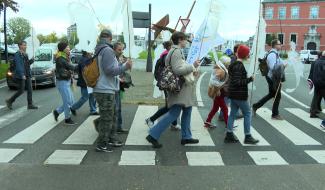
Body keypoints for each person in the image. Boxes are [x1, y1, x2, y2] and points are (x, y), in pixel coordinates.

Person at [146, 32, 200, 148]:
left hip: (181, 89)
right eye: (185, 39)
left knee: (187, 110)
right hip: (180, 90)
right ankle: (153, 134)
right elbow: (177, 70)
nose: (186, 42)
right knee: (174, 113)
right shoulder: (176, 52)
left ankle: (186, 137)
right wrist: (192, 66)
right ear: (180, 40)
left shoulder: (173, 50)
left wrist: (191, 69)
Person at [92, 29, 132, 152]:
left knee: (112, 115)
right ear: (110, 37)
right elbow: (110, 71)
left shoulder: (99, 49)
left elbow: (108, 69)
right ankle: (101, 144)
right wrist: (125, 66)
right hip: (105, 89)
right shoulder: (107, 50)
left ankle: (110, 138)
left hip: (104, 88)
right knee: (107, 118)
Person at [224, 45, 259, 144]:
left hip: (232, 93)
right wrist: (250, 79)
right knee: (248, 113)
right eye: (247, 53)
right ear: (244, 54)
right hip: (239, 94)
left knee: (232, 114)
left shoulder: (234, 64)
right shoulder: (239, 66)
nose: (248, 55)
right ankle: (248, 136)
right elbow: (237, 82)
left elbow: (234, 80)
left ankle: (229, 134)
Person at [145, 41, 180, 131]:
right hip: (169, 84)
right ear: (169, 47)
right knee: (169, 105)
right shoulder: (167, 56)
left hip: (167, 83)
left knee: (172, 104)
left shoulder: (164, 55)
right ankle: (151, 119)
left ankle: (174, 124)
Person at [252, 39, 286, 120]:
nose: (281, 45)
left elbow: (281, 62)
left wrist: (284, 63)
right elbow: (273, 67)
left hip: (274, 77)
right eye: (279, 44)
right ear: (275, 45)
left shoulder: (275, 54)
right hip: (272, 78)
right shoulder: (272, 55)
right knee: (277, 95)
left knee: (272, 94)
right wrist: (282, 65)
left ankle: (256, 106)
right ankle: (275, 114)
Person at [5, 41, 38, 110]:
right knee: (21, 90)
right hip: (21, 75)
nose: (25, 46)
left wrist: (32, 60)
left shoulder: (25, 54)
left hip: (27, 74)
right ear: (20, 46)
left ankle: (30, 104)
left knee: (30, 89)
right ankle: (10, 100)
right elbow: (19, 66)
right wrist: (22, 74)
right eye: (24, 45)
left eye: (26, 45)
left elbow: (26, 64)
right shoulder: (17, 54)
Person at [52, 42, 77, 125]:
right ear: (63, 49)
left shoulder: (64, 56)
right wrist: (80, 66)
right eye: (67, 48)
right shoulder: (61, 58)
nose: (69, 49)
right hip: (62, 82)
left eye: (69, 47)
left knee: (71, 101)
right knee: (68, 101)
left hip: (66, 81)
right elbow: (70, 67)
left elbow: (69, 67)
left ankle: (57, 111)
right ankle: (67, 119)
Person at [70, 51, 98, 116]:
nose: (92, 53)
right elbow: (84, 72)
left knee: (92, 96)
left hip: (89, 82)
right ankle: (73, 107)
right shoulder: (84, 60)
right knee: (85, 97)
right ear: (87, 52)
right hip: (85, 82)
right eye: (90, 52)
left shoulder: (88, 58)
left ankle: (93, 110)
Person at [204, 59, 228, 128]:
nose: (228, 65)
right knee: (224, 109)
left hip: (216, 92)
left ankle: (208, 121)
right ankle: (228, 124)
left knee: (215, 108)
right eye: (227, 64)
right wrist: (217, 90)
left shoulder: (219, 69)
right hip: (217, 92)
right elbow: (214, 81)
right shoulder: (220, 70)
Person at [113, 42, 129, 134]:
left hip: (117, 86)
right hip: (112, 87)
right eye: (119, 49)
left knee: (118, 108)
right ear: (114, 49)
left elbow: (119, 70)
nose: (121, 51)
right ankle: (114, 128)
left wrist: (124, 64)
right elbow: (112, 71)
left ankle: (119, 127)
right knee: (115, 108)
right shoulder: (112, 58)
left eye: (122, 49)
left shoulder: (118, 58)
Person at [311, 51, 325, 128]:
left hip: (317, 84)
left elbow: (313, 73)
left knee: (316, 98)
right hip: (323, 85)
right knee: (316, 98)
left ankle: (313, 112)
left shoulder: (316, 62)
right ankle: (324, 123)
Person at [309, 53, 323, 118]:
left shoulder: (316, 62)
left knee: (316, 97)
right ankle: (315, 110)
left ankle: (314, 111)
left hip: (316, 82)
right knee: (317, 97)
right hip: (322, 83)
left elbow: (312, 72)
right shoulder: (322, 62)